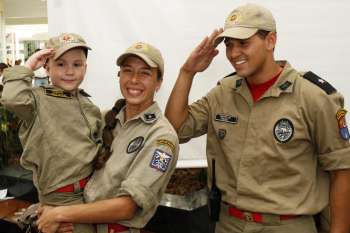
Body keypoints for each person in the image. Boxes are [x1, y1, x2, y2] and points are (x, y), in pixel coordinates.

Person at [165, 3, 350, 233]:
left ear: (270, 41)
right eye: (229, 45)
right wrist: (187, 72)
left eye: (243, 43)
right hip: (228, 223)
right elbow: (175, 129)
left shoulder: (313, 97)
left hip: (287, 225)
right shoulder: (224, 92)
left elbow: (341, 169)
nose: (233, 53)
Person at [37, 42, 179, 233]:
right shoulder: (103, 119)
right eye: (128, 71)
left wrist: (60, 214)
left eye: (145, 73)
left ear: (159, 82)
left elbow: (127, 207)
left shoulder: (162, 137)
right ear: (119, 75)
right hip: (78, 223)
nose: (134, 79)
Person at [1, 33, 101, 233]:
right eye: (61, 64)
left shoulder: (89, 106)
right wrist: (28, 66)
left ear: (85, 68)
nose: (69, 71)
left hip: (92, 194)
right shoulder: (37, 101)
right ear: (47, 67)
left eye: (77, 64)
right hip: (61, 199)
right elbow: (12, 98)